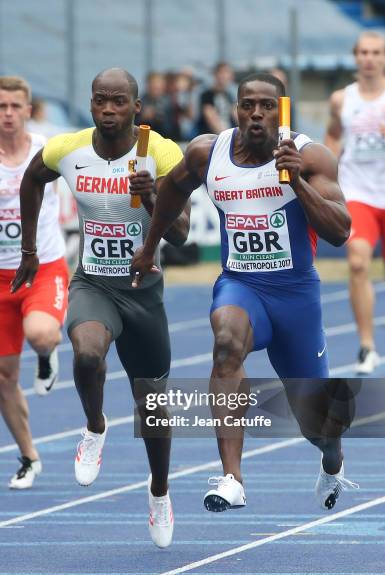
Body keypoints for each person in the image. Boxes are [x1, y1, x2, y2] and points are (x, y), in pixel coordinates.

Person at [131, 72, 359, 513]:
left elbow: (340, 231)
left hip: (296, 296)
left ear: (282, 109)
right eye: (247, 105)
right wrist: (149, 246)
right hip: (242, 284)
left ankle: (332, 458)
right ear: (235, 109)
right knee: (225, 343)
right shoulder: (206, 152)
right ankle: (232, 476)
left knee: (316, 423)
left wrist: (297, 183)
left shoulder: (310, 156)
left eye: (267, 106)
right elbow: (173, 192)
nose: (256, 114)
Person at [11, 68, 190, 548]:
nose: (108, 110)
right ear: (90, 104)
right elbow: (32, 179)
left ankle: (158, 493)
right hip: (94, 283)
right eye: (99, 101)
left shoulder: (163, 152)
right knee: (87, 352)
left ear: (136, 107)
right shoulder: (67, 149)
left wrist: (154, 198)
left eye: (118, 102)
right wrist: (30, 250)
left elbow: (182, 234)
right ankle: (94, 427)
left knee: (152, 405)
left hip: (144, 291)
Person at [0, 76, 68, 489]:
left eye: (14, 106)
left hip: (42, 269)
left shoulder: (49, 151)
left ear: (28, 110)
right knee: (5, 377)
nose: (7, 114)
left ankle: (46, 355)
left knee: (42, 333)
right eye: (0, 107)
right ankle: (29, 457)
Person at [325, 31, 385, 374]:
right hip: (358, 192)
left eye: (376, 52)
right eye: (363, 52)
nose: (369, 58)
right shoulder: (340, 99)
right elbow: (333, 134)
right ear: (355, 56)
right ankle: (366, 346)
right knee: (359, 263)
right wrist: (325, 175)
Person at [196, 62, 237, 135]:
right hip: (212, 139)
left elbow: (237, 115)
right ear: (215, 75)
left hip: (228, 137)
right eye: (222, 72)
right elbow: (211, 118)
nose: (224, 76)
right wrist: (227, 138)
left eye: (227, 73)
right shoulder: (207, 95)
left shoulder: (229, 96)